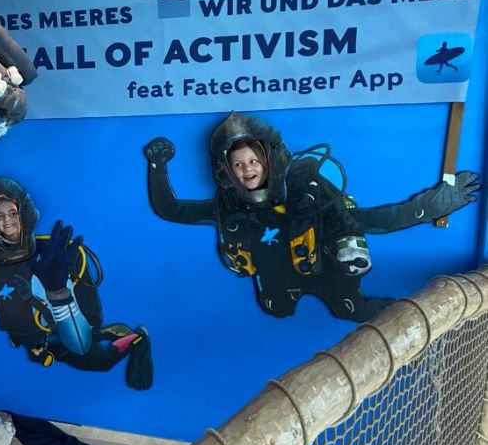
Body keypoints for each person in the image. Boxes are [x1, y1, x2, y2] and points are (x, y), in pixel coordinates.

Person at [144, 112, 480, 322]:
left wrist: (430, 206)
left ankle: (414, 323)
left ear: (269, 160)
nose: (247, 169)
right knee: (277, 308)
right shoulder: (227, 207)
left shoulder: (307, 190)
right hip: (278, 283)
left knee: (350, 309)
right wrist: (157, 167)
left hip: (324, 270)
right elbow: (171, 209)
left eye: (254, 161)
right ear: (226, 171)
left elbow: (372, 220)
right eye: (238, 164)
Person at [0, 175, 153, 390]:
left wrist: (58, 291)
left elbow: (79, 344)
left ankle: (137, 339)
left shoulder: (50, 258)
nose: (7, 221)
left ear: (24, 213)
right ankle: (100, 333)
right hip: (32, 339)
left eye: (12, 213)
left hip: (64, 331)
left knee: (99, 361)